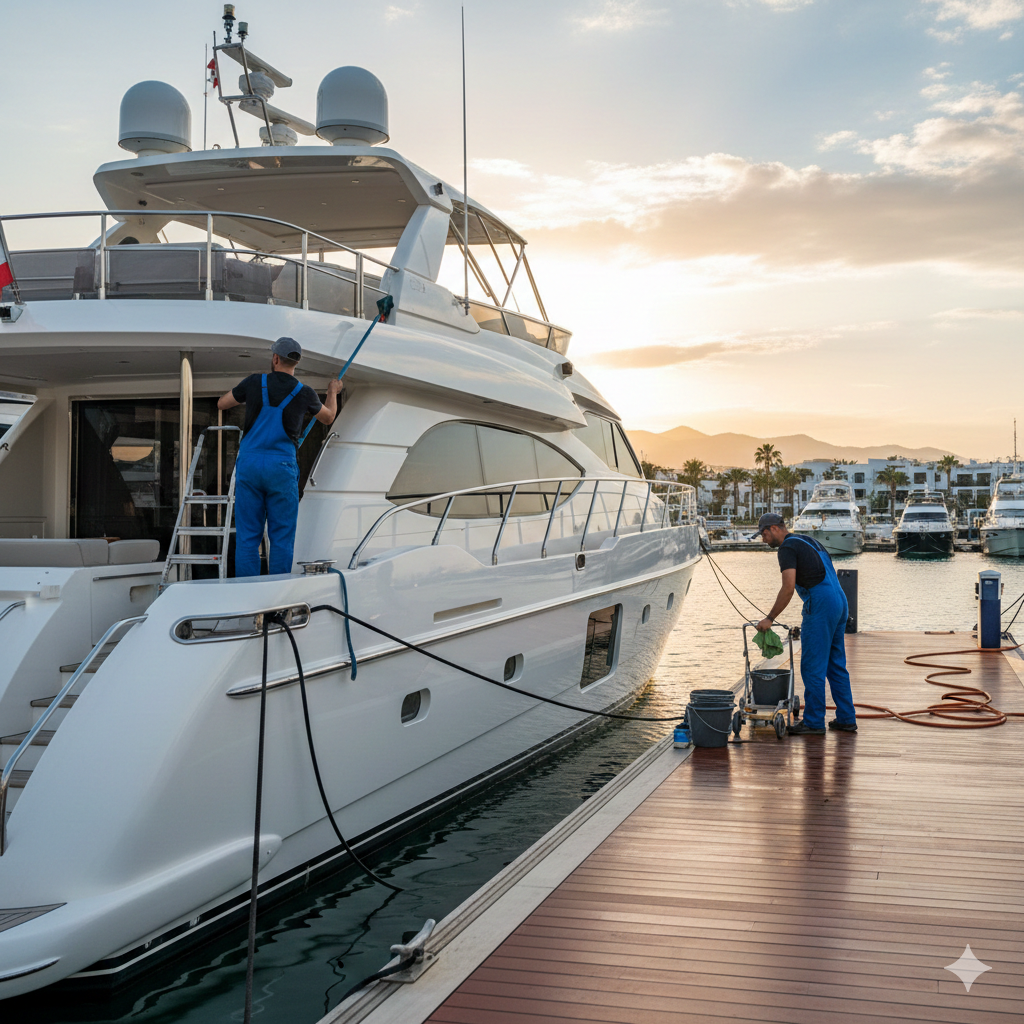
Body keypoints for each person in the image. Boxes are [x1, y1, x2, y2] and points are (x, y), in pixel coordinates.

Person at [218, 337, 343, 577]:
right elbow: (328, 417)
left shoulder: (255, 382)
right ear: (295, 362)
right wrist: (332, 392)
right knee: (282, 538)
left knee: (247, 537)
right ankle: (277, 600)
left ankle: (248, 597)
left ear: (275, 358)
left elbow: (222, 403)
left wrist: (243, 395)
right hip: (282, 467)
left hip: (251, 465)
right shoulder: (304, 392)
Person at [752, 512, 857, 735]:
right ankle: (846, 718)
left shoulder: (787, 548)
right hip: (839, 600)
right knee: (835, 664)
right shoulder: (809, 540)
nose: (763, 539)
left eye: (763, 534)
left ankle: (814, 722)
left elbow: (788, 587)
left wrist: (769, 618)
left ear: (772, 529)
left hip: (821, 604)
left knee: (812, 667)